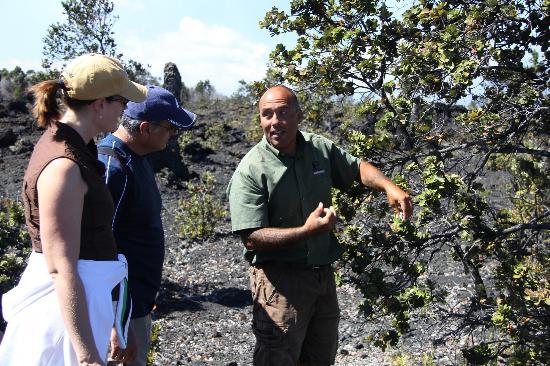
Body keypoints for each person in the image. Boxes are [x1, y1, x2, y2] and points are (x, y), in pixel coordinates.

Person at [227, 85, 413, 365]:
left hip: (321, 277)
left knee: (321, 356)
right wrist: (306, 232)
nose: (275, 121)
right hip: (280, 283)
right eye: (267, 115)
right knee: (278, 357)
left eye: (283, 113)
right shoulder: (251, 170)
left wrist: (388, 186)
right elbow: (251, 237)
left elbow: (356, 168)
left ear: (299, 116)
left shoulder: (318, 148)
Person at [0, 53, 147, 366]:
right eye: (121, 100)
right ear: (99, 105)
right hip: (61, 316)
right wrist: (87, 356)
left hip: (78, 303)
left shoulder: (77, 147)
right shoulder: (64, 166)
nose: (125, 109)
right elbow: (61, 268)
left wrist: (114, 321)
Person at [98, 85, 197, 366]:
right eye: (170, 128)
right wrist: (119, 321)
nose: (174, 134)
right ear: (145, 128)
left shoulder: (137, 159)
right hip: (119, 309)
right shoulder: (113, 169)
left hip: (135, 305)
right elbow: (101, 250)